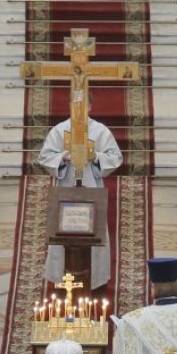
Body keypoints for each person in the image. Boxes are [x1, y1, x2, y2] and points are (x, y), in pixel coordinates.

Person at [37, 114, 123, 289]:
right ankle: (61, 279)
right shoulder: (60, 130)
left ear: (89, 106)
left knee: (95, 231)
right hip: (67, 185)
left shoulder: (100, 130)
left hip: (91, 186)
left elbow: (115, 157)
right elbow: (45, 156)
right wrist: (63, 157)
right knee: (62, 230)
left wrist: (95, 156)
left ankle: (96, 281)